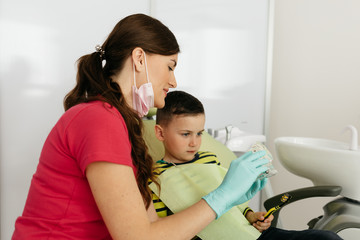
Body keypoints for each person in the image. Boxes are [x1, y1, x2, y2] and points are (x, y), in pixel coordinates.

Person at [12, 13, 270, 239]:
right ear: (139, 59)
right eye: (170, 66)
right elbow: (138, 237)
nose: (173, 80)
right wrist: (221, 197)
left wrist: (230, 202)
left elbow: (153, 228)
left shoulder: (119, 124)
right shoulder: (98, 120)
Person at [151, 90, 343, 240]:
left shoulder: (209, 159)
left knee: (326, 237)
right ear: (160, 133)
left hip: (253, 235)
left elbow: (233, 205)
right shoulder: (154, 179)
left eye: (199, 133)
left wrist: (252, 216)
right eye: (186, 134)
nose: (194, 142)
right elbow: (167, 229)